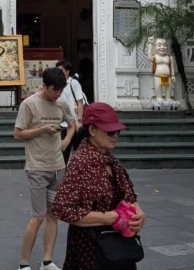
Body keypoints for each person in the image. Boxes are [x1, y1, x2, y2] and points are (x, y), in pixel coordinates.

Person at [53, 103, 145, 270]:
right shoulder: (80, 163)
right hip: (90, 249)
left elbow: (129, 197)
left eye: (117, 131)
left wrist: (138, 215)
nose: (115, 136)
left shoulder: (112, 161)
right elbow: (63, 209)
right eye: (109, 131)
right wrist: (108, 217)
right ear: (93, 130)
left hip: (118, 247)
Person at [14, 67, 76, 270]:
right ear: (44, 86)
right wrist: (42, 129)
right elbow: (18, 133)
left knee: (53, 215)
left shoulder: (61, 104)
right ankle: (24, 264)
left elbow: (73, 123)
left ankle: (47, 261)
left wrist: (66, 140)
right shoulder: (29, 104)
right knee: (38, 216)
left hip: (58, 166)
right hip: (37, 167)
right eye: (53, 90)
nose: (57, 94)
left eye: (60, 90)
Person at [56, 60, 86, 164]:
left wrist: (79, 120)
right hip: (61, 124)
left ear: (67, 71)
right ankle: (64, 177)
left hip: (74, 123)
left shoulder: (73, 83)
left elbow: (80, 102)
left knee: (77, 152)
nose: (59, 73)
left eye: (61, 70)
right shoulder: (57, 84)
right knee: (63, 152)